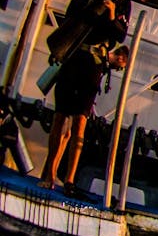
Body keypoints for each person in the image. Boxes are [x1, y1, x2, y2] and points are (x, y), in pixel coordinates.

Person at [38, 44, 130, 197]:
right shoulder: (100, 59)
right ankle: (62, 177)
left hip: (75, 71)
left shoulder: (101, 60)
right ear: (121, 58)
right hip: (80, 73)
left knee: (65, 126)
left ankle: (54, 176)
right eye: (121, 66)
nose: (118, 68)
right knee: (69, 126)